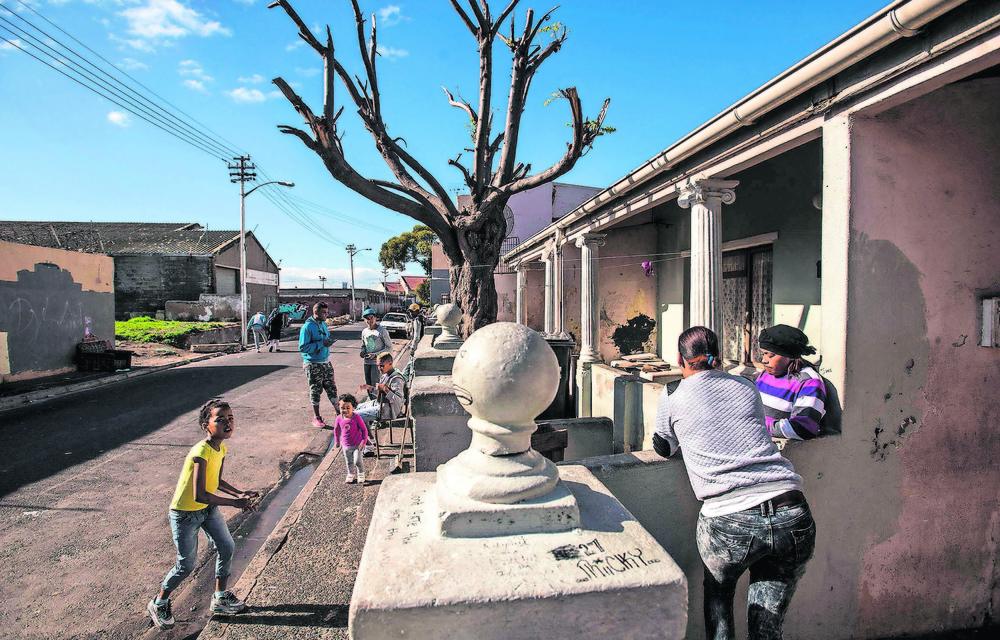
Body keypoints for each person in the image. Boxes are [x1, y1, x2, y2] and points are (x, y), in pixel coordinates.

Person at [653, 326, 816, 640]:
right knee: (766, 629)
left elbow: (664, 446)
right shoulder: (745, 385)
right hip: (791, 510)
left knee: (719, 596)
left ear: (679, 359)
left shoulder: (673, 392)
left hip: (728, 520)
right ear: (717, 358)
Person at [146, 399, 259, 630]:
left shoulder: (222, 447)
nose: (227, 423)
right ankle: (159, 602)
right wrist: (235, 502)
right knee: (186, 565)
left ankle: (220, 598)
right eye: (220, 419)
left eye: (230, 418)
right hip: (185, 513)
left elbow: (216, 481)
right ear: (206, 425)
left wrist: (240, 492)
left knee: (226, 546)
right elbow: (200, 494)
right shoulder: (200, 451)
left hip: (206, 510)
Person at [755, 325, 826, 441]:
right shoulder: (765, 375)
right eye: (763, 354)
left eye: (771, 355)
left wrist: (758, 426)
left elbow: (803, 429)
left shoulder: (809, 382)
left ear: (790, 356)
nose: (764, 360)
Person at [355, 351, 406, 456]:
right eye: (378, 366)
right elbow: (380, 393)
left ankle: (368, 445)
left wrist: (386, 389)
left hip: (389, 410)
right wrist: (370, 388)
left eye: (382, 366)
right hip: (380, 404)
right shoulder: (385, 375)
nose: (379, 369)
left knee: (355, 416)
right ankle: (371, 439)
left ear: (390, 364)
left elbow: (398, 400)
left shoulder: (396, 378)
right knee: (356, 408)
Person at [298, 302, 339, 428]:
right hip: (313, 364)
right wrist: (321, 344)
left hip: (325, 361)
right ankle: (316, 417)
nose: (327, 315)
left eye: (327, 312)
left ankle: (339, 414)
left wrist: (328, 342)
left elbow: (324, 338)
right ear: (316, 312)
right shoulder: (307, 327)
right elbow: (303, 347)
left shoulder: (323, 324)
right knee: (316, 390)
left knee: (332, 389)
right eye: (324, 312)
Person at [333, 393, 369, 484]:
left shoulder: (356, 417)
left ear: (353, 407)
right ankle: (351, 473)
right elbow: (336, 430)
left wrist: (363, 441)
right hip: (346, 445)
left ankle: (361, 473)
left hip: (357, 444)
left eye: (348, 408)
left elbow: (364, 430)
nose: (345, 410)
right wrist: (337, 441)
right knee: (349, 461)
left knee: (357, 460)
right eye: (342, 408)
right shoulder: (339, 418)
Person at [360, 308, 392, 401]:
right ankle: (372, 402)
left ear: (375, 318)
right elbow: (363, 345)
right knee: (368, 385)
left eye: (371, 318)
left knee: (375, 385)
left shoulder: (382, 331)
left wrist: (376, 354)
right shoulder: (364, 331)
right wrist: (362, 351)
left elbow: (389, 348)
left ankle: (378, 405)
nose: (370, 321)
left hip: (377, 363)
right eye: (367, 319)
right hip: (367, 362)